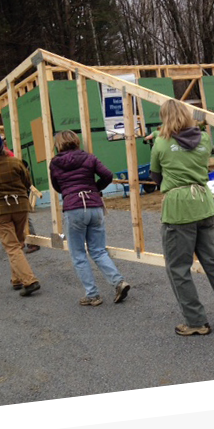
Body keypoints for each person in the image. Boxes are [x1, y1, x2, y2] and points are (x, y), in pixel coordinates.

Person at [149, 100, 214, 336]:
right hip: (204, 203)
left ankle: (196, 321)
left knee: (178, 268)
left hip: (179, 208)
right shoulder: (204, 139)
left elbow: (155, 175)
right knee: (213, 261)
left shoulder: (161, 142)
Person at [49, 130, 131, 307]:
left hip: (74, 208)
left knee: (78, 254)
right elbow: (108, 175)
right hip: (94, 205)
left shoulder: (55, 163)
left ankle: (93, 295)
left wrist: (70, 192)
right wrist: (95, 189)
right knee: (98, 250)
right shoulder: (89, 157)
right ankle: (118, 282)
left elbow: (56, 186)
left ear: (59, 144)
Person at [0, 133, 42, 297]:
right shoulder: (15, 162)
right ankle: (17, 279)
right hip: (20, 205)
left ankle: (29, 280)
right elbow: (27, 182)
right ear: (2, 146)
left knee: (12, 246)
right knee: (18, 242)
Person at [0, 129, 40, 253]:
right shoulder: (6, 154)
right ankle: (25, 242)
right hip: (15, 189)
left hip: (15, 189)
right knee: (20, 216)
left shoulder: (7, 155)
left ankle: (32, 242)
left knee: (23, 217)